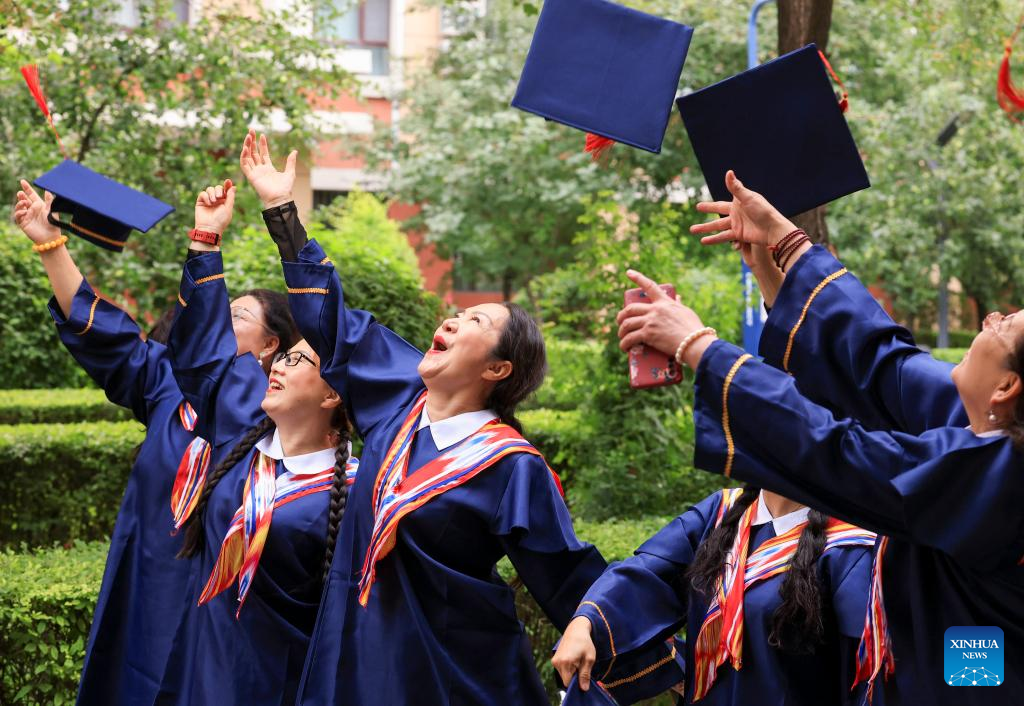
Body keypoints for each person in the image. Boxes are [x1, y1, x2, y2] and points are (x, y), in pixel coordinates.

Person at [238, 130, 682, 705]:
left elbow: (565, 574)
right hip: (352, 658)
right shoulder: (397, 401)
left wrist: (654, 655)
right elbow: (334, 321)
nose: (451, 320)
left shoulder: (510, 466)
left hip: (446, 671)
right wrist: (281, 209)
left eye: (475, 322)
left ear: (497, 368)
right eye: (457, 313)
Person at [614, 170, 1024, 705]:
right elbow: (881, 362)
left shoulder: (1002, 475)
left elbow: (838, 452)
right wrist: (784, 243)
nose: (990, 317)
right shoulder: (978, 419)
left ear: (1007, 387)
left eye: (1004, 325)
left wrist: (699, 347)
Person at [12, 179, 297, 705]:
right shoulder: (168, 382)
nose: (219, 316)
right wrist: (50, 244)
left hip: (220, 601)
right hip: (146, 584)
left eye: (237, 315)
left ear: (270, 345)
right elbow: (107, 336)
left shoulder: (276, 415)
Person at [142, 179, 357, 705]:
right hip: (199, 671)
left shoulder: (355, 491)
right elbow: (204, 353)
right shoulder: (244, 429)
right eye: (282, 357)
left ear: (333, 394)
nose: (278, 366)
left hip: (282, 682)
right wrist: (205, 238)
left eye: (297, 359)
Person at [552, 486, 878, 705]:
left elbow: (866, 675)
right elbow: (647, 573)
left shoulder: (850, 545)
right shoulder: (721, 513)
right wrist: (586, 622)